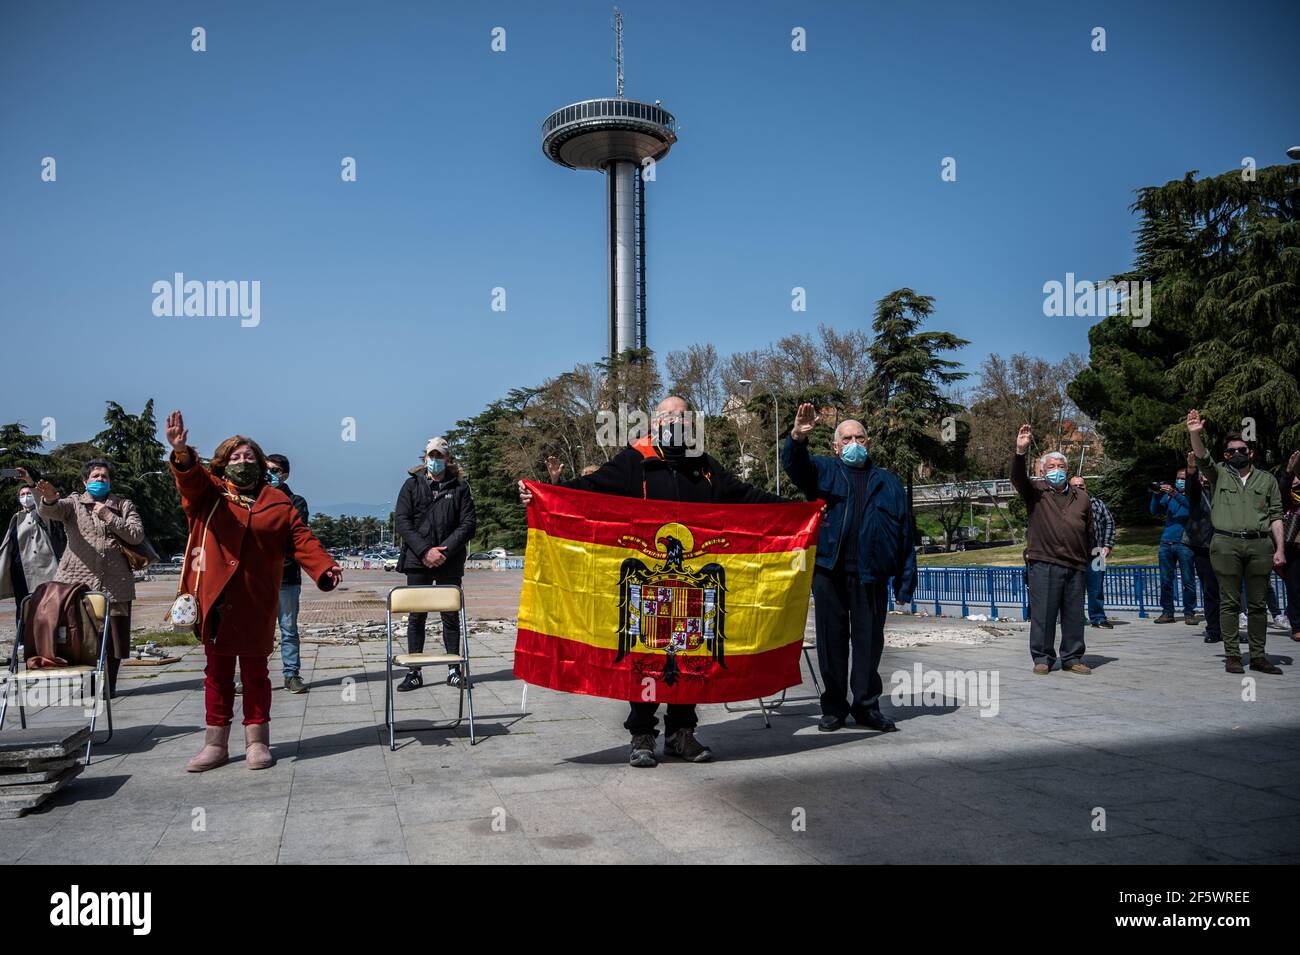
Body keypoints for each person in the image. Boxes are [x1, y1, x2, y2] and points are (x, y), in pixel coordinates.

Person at [517, 395, 786, 768]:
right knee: (645, 658)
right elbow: (591, 489)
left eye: (683, 416)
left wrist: (795, 510)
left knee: (688, 659)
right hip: (648, 590)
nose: (676, 421)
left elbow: (745, 497)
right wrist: (544, 493)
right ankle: (642, 734)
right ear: (654, 423)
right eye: (669, 416)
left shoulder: (704, 467)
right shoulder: (634, 462)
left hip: (691, 590)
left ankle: (681, 733)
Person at [164, 410, 341, 771]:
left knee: (257, 674)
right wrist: (182, 452)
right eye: (235, 457)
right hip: (215, 599)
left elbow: (300, 537)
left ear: (261, 465)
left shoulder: (277, 501)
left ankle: (257, 742)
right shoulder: (210, 493)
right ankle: (215, 743)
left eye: (248, 457)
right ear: (222, 463)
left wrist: (324, 567)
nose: (242, 462)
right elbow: (190, 481)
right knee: (217, 673)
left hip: (257, 600)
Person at [781, 404, 915, 732]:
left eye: (859, 436)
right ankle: (834, 708)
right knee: (832, 641)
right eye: (847, 437)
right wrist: (798, 436)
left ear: (868, 443)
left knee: (869, 642)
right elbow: (795, 467)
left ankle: (867, 706)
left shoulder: (889, 484)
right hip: (829, 571)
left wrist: (905, 581)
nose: (854, 442)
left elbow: (905, 534)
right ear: (836, 445)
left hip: (871, 574)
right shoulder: (824, 471)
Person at [1186, 410, 1285, 675]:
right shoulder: (1218, 474)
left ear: (1250, 452)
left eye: (1241, 449)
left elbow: (1276, 516)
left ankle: (1258, 655)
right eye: (1231, 452)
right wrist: (1195, 433)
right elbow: (1202, 456)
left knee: (1257, 603)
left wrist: (1280, 549)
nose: (1236, 454)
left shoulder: (1267, 480)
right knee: (1228, 602)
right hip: (1226, 544)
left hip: (1259, 545)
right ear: (1226, 455)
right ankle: (1232, 654)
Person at [32, 461, 142, 697]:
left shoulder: (123, 504)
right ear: (85, 481)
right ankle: (89, 684)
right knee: (83, 637)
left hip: (117, 584)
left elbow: (135, 535)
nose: (100, 479)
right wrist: (49, 498)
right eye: (94, 476)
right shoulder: (74, 503)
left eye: (104, 476)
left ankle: (109, 686)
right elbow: (52, 510)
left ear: (111, 481)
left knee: (114, 641)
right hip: (78, 584)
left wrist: (107, 514)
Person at [393, 437, 477, 692]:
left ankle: (454, 670)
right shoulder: (411, 486)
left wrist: (445, 551)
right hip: (417, 561)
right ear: (425, 458)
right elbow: (402, 521)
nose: (435, 460)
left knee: (450, 615)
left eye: (440, 456)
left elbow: (468, 524)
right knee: (416, 616)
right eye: (431, 455)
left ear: (448, 459)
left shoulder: (460, 488)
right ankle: (414, 672)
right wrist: (425, 550)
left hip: (448, 562)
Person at [1011, 430, 1092, 674]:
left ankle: (1072, 657)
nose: (1056, 469)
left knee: (1074, 615)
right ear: (1043, 471)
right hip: (1044, 562)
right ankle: (1043, 658)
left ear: (1067, 470)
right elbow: (1017, 477)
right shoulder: (1035, 491)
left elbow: (1089, 530)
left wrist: (1090, 557)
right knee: (1043, 615)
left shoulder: (1082, 497)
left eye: (1060, 465)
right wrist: (1020, 451)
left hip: (1075, 564)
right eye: (1051, 466)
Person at [266, 454, 309, 693]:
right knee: (256, 631)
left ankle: (291, 674)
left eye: (275, 470)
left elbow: (294, 536)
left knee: (288, 628)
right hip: (258, 578)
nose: (269, 474)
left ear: (285, 474)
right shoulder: (251, 499)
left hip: (287, 577)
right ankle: (253, 675)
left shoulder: (296, 502)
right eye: (266, 469)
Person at [1, 478, 66, 630]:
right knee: (22, 605)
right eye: (22, 494)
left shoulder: (41, 513)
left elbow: (39, 501)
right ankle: (22, 640)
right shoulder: (16, 517)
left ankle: (46, 637)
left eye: (28, 493)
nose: (25, 496)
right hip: (18, 570)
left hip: (39, 567)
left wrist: (31, 483)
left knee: (43, 604)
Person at [1184, 452, 1222, 644]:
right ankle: (1214, 629)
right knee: (1210, 589)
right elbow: (1190, 489)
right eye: (1203, 473)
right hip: (1203, 545)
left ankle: (1229, 628)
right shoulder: (1197, 493)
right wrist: (1191, 469)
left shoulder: (1223, 490)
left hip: (1226, 544)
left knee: (1230, 591)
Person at [1149, 469, 1197, 624]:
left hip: (1184, 543)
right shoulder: (1169, 497)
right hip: (1166, 542)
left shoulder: (1193, 495)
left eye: (1183, 478)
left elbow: (1190, 507)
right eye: (1178, 478)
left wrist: (1174, 492)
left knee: (1188, 580)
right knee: (1165, 580)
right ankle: (1167, 612)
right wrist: (1156, 494)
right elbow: (1154, 511)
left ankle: (1189, 613)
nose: (1180, 481)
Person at [1069, 475, 1115, 629]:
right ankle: (1076, 619)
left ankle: (1098, 618)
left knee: (1096, 587)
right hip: (1074, 554)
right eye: (1075, 485)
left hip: (1096, 552)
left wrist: (1107, 545)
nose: (1079, 487)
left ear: (1086, 487)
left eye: (1081, 485)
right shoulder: (1065, 504)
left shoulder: (1097, 503)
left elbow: (1109, 522)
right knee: (1075, 589)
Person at [1280, 452, 1300, 642]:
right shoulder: (1288, 503)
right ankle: (1297, 625)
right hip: (1293, 547)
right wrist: (1288, 471)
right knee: (1294, 588)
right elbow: (1283, 491)